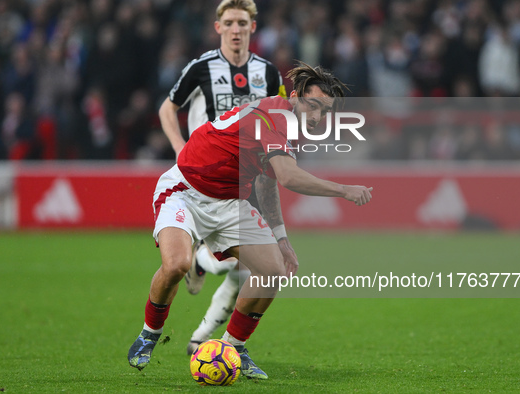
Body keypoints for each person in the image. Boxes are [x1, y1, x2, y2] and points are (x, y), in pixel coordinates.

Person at [127, 62, 374, 379]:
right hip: (185, 190)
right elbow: (288, 177)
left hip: (230, 201)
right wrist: (344, 190)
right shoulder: (274, 115)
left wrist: (282, 240)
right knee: (177, 265)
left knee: (272, 271)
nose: (317, 116)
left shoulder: (292, 128)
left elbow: (268, 182)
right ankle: (149, 332)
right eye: (313, 105)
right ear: (295, 96)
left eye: (324, 112)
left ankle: (233, 347)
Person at [157, 0, 287, 355]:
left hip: (246, 179)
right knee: (233, 264)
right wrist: (180, 147)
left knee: (250, 269)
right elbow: (168, 107)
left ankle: (204, 337)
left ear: (253, 28)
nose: (235, 29)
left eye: (242, 23)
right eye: (229, 22)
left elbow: (276, 122)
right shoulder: (202, 67)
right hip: (202, 178)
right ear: (218, 28)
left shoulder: (268, 73)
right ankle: (199, 266)